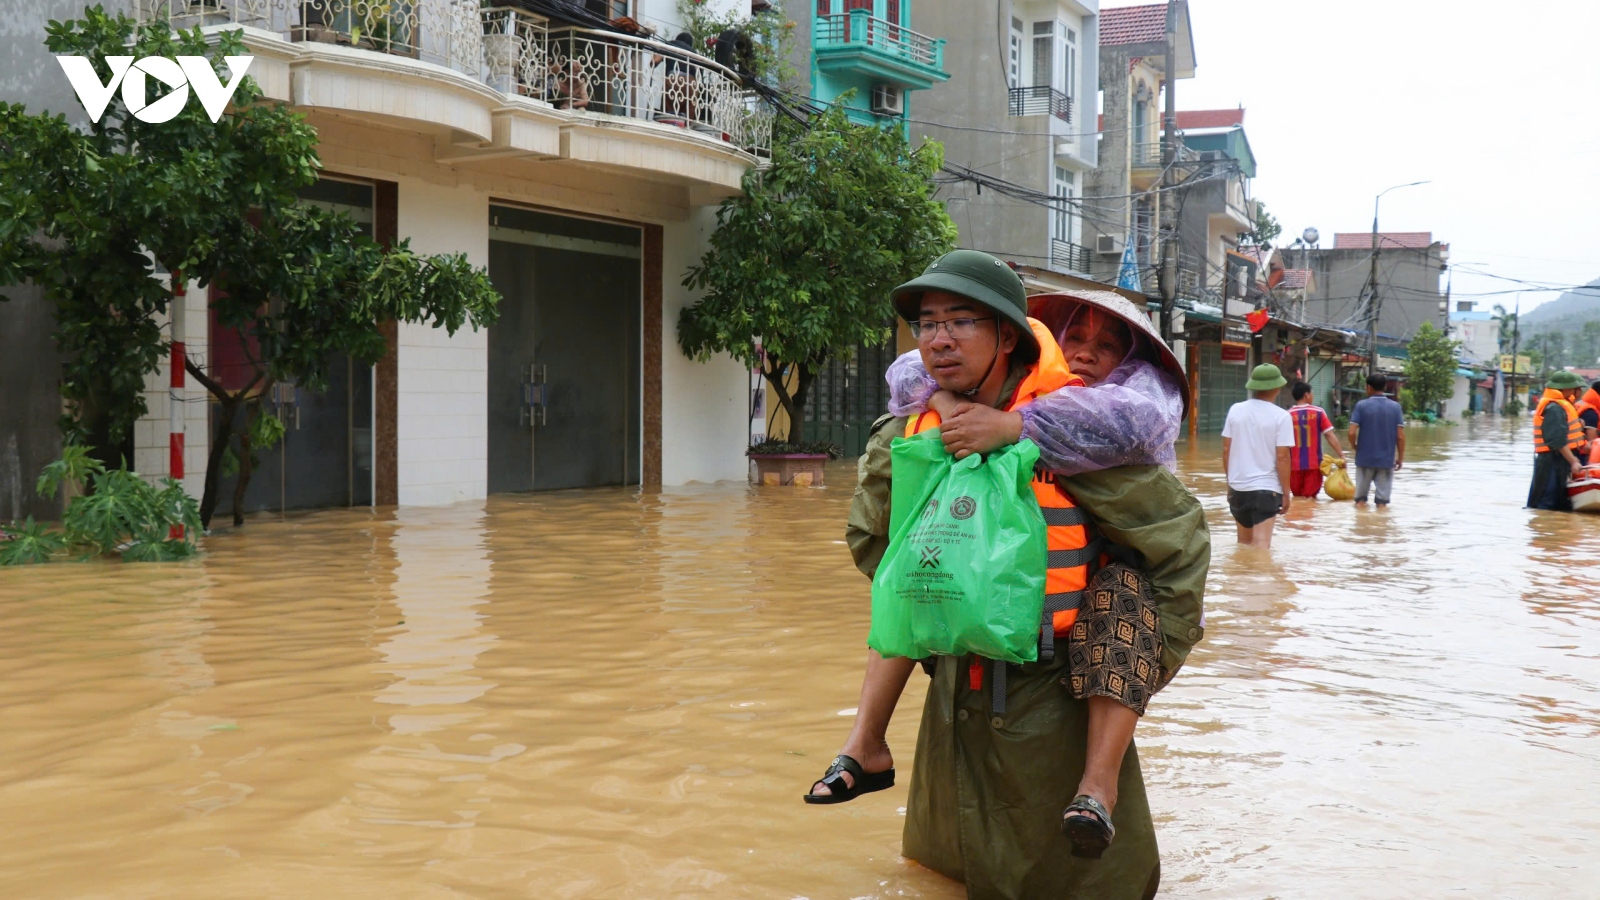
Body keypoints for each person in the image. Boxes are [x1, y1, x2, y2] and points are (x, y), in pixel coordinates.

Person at [814, 250, 1207, 898]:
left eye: (961, 322)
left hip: (1057, 705)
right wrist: (949, 619)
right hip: (955, 711)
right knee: (941, 877)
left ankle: (1097, 783)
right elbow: (873, 544)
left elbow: (1179, 555)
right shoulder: (916, 431)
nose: (940, 339)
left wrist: (1127, 666)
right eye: (929, 325)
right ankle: (865, 743)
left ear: (1008, 337)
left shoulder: (1088, 442)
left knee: (1078, 883)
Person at [881, 289, 1189, 474]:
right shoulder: (1010, 390)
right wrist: (943, 399)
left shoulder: (1126, 434)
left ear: (1129, 361)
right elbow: (912, 368)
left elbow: (1142, 421)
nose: (1085, 355)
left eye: (1106, 346)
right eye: (1076, 338)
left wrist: (1012, 426)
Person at [1221, 364, 1294, 547]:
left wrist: (1230, 483)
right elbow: (1283, 457)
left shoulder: (1235, 410)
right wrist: (1286, 493)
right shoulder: (1282, 417)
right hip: (1266, 490)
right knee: (1261, 547)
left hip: (1238, 488)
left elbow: (1226, 450)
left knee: (1243, 545)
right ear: (1277, 387)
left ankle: (1241, 576)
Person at [1527, 370, 1588, 510]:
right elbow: (1557, 440)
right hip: (1551, 460)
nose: (1575, 390)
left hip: (1556, 459)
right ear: (1565, 388)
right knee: (1547, 500)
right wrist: (1573, 461)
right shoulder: (1554, 408)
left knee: (1557, 500)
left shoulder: (1560, 405)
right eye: (1573, 387)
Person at [1347, 374, 1405, 507]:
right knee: (1382, 504)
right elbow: (1400, 436)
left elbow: (1351, 432)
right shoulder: (1395, 407)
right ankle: (1380, 526)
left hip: (1364, 459)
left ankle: (1360, 525)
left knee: (1360, 501)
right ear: (1384, 387)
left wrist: (1355, 446)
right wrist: (1400, 458)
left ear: (1369, 387)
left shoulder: (1361, 406)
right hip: (1386, 461)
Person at [1287, 382, 1346, 498]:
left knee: (1297, 498)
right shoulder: (1318, 412)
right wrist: (1341, 455)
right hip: (1314, 465)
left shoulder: (1287, 415)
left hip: (1292, 466)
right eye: (1312, 393)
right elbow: (1329, 435)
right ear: (1306, 395)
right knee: (1310, 499)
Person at [1575, 380, 1600, 465]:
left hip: (1575, 451)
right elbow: (1592, 442)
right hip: (1583, 455)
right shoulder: (1591, 412)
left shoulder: (1582, 404)